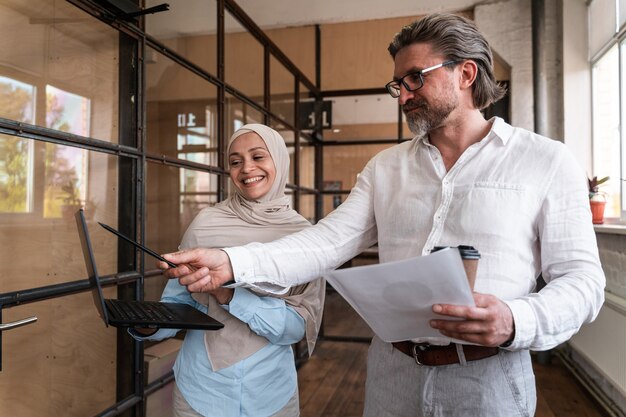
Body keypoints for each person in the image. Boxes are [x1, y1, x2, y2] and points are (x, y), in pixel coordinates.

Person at [158, 13, 605, 417]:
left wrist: (515, 320)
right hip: (393, 374)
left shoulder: (546, 161)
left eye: (415, 79)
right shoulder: (386, 168)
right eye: (398, 84)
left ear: (466, 73)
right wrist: (232, 262)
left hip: (488, 382)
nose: (403, 95)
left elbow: (583, 281)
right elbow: (326, 243)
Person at [132, 124, 325, 417]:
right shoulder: (205, 223)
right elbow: (178, 303)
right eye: (235, 161)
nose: (247, 168)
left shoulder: (302, 237)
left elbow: (296, 328)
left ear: (279, 161)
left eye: (258, 157)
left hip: (270, 393)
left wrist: (227, 294)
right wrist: (149, 326)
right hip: (200, 389)